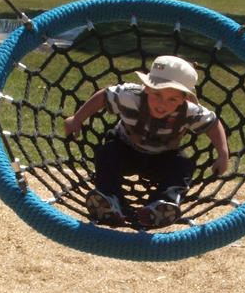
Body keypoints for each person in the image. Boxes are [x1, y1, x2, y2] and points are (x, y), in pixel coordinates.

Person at [63, 55, 229, 228]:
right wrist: (77, 119)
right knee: (107, 153)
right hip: (125, 149)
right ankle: (110, 200)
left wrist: (223, 154)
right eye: (157, 94)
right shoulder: (130, 96)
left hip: (163, 158)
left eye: (172, 99)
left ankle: (161, 205)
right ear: (147, 88)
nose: (162, 104)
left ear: (184, 99)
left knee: (183, 166)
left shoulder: (190, 111)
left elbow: (213, 124)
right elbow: (103, 96)